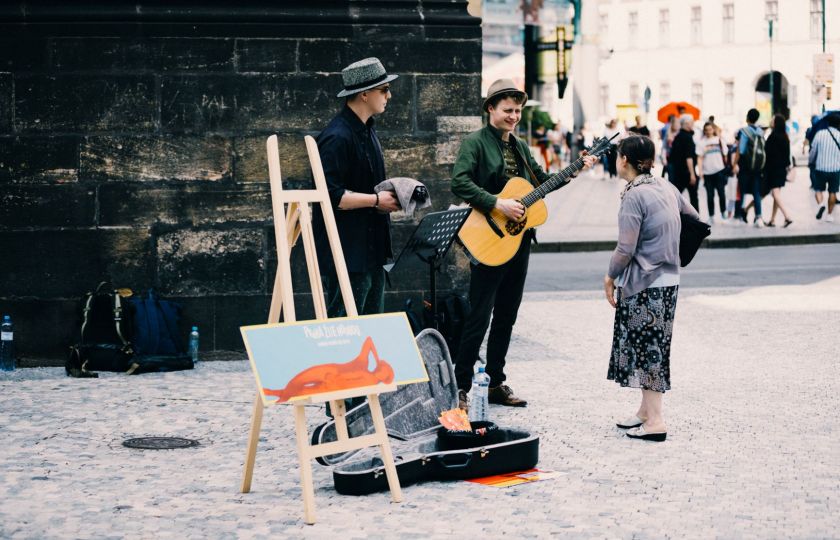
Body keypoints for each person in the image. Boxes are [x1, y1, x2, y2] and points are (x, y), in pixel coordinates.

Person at [450, 78, 595, 410]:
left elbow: (542, 184)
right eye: (507, 110)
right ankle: (461, 386)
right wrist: (496, 204)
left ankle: (496, 381)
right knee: (479, 315)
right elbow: (459, 182)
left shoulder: (520, 146)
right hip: (488, 238)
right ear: (490, 109)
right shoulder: (475, 143)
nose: (513, 116)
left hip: (519, 241)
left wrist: (574, 170)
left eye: (517, 111)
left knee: (507, 315)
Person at [604, 135, 700, 443]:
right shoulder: (665, 186)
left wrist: (610, 276)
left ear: (624, 161)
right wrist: (670, 247)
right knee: (654, 346)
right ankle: (645, 411)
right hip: (669, 280)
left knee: (648, 351)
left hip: (646, 282)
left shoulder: (634, 196)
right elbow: (694, 219)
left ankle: (656, 421)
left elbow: (625, 248)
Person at [313, 57, 401, 319]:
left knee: (371, 330)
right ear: (364, 94)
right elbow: (330, 195)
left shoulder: (368, 130)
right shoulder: (336, 136)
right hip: (348, 254)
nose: (389, 95)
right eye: (384, 89)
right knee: (343, 328)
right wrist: (376, 200)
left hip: (372, 250)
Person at [732, 108, 766, 227]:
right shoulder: (760, 132)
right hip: (757, 167)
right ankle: (759, 217)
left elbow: (740, 150)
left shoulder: (744, 131)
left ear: (747, 117)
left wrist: (734, 164)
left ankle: (740, 217)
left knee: (741, 192)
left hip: (745, 166)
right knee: (756, 192)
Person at [808, 113, 840, 223]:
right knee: (833, 192)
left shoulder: (820, 134)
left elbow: (813, 151)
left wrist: (811, 161)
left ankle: (821, 205)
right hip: (835, 169)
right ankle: (830, 215)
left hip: (820, 167)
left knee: (818, 189)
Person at [763, 114, 793, 227]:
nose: (771, 121)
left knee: (775, 194)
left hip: (773, 170)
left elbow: (767, 154)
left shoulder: (773, 136)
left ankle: (787, 217)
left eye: (773, 120)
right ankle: (772, 220)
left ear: (776, 123)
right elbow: (787, 156)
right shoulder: (785, 136)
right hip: (781, 170)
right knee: (777, 195)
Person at [696, 121, 728, 224]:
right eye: (706, 130)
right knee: (710, 195)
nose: (708, 132)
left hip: (719, 171)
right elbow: (699, 158)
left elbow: (725, 154)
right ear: (704, 131)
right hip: (707, 173)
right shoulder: (701, 143)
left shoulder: (719, 140)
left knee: (721, 193)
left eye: (710, 129)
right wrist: (700, 171)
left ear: (713, 129)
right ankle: (711, 216)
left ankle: (724, 214)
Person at [667, 114, 700, 211]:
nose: (693, 124)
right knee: (693, 197)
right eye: (692, 122)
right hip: (686, 172)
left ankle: (673, 214)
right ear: (686, 123)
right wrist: (692, 174)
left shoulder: (678, 136)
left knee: (677, 196)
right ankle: (696, 219)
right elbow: (689, 157)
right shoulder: (687, 137)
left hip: (678, 172)